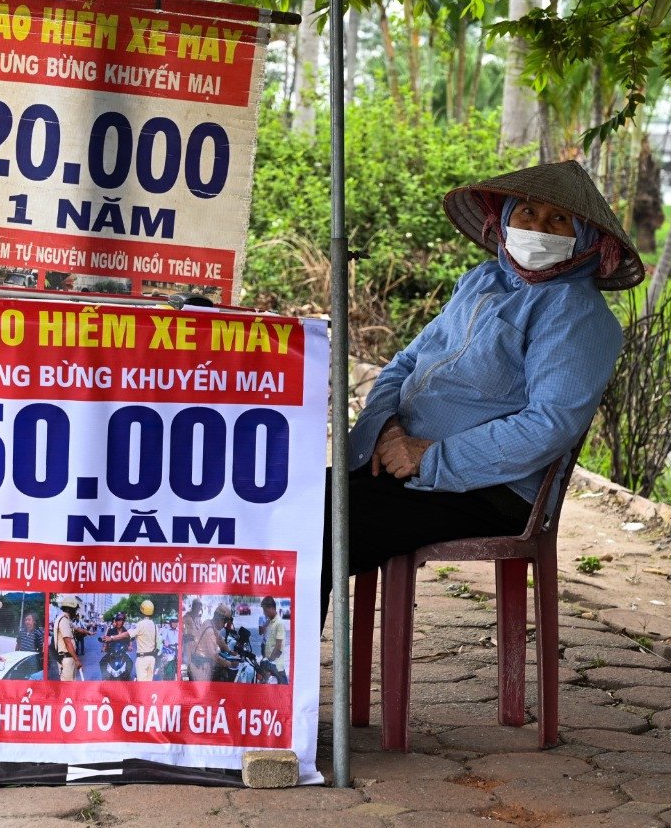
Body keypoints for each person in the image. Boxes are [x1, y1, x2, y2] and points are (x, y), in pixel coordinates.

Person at [320, 160, 643, 628]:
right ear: (504, 217)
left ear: (587, 238)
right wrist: (387, 427)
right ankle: (243, 684)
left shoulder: (577, 314)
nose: (538, 227)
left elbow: (549, 424)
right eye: (527, 212)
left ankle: (272, 690)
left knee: (318, 529)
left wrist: (428, 456)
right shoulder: (481, 281)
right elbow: (406, 363)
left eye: (558, 220)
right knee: (286, 503)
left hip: (490, 490)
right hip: (402, 468)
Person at [104, 599, 159, 681]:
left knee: (141, 685)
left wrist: (111, 638)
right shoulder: (155, 626)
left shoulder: (140, 624)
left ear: (142, 610)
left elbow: (127, 634)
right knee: (149, 684)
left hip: (142, 659)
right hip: (152, 659)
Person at [189, 603, 237, 681]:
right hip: (200, 667)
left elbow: (219, 639)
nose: (224, 625)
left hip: (201, 663)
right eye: (224, 622)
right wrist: (230, 664)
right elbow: (214, 656)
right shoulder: (209, 631)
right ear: (219, 619)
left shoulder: (209, 623)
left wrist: (230, 651)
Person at [52, 594, 91, 681]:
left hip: (69, 658)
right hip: (67, 659)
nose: (76, 612)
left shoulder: (65, 619)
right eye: (75, 610)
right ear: (70, 609)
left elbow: (77, 628)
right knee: (68, 686)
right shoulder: (64, 621)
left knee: (71, 683)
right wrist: (77, 660)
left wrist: (88, 632)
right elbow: (67, 642)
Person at [259, 596, 289, 684]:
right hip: (271, 665)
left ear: (272, 608)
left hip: (276, 666)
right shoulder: (271, 622)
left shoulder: (278, 623)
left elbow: (278, 647)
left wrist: (268, 661)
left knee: (283, 690)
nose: (264, 613)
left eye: (265, 610)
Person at [100, 611, 132, 680]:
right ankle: (104, 678)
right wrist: (104, 647)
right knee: (102, 662)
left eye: (121, 620)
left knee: (130, 663)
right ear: (115, 621)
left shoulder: (126, 632)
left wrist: (130, 647)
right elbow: (106, 640)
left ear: (123, 621)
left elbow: (129, 643)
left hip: (123, 653)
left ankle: (127, 679)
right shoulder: (111, 631)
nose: (119, 622)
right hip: (112, 652)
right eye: (117, 620)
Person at [159, 611, 180, 679]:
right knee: (168, 670)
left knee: (175, 671)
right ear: (170, 623)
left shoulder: (178, 631)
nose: (175, 624)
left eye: (176, 622)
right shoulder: (166, 630)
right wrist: (166, 642)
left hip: (176, 652)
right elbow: (163, 639)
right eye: (173, 622)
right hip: (169, 653)